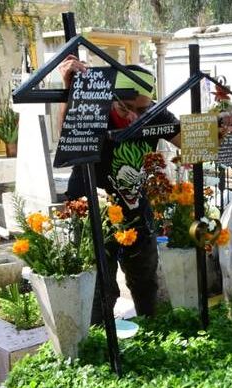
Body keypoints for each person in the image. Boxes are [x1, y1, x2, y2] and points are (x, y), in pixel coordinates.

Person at [58, 56, 180, 322]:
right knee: (101, 289)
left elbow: (190, 141)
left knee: (145, 279)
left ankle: (151, 334)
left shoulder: (154, 114)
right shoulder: (94, 107)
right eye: (126, 109)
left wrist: (220, 125)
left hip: (135, 210)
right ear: (113, 98)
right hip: (94, 210)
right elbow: (68, 141)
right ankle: (101, 347)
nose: (134, 117)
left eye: (142, 110)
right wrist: (71, 92)